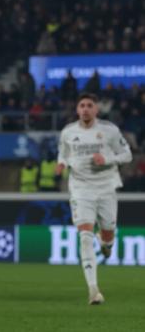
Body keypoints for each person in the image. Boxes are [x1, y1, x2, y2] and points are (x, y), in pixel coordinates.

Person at [55, 92, 132, 305]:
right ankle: (93, 289)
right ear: (77, 109)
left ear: (96, 109)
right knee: (85, 236)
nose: (86, 109)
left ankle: (106, 243)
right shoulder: (68, 132)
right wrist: (61, 163)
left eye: (90, 105)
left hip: (106, 188)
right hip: (80, 189)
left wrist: (107, 159)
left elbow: (127, 155)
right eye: (82, 105)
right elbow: (63, 152)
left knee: (108, 234)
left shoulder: (109, 130)